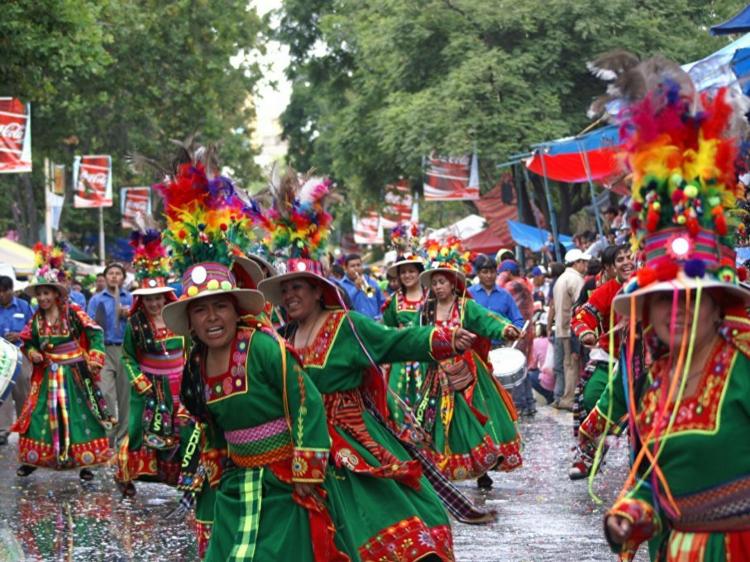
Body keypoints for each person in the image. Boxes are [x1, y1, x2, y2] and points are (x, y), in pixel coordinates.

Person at [158, 158, 345, 561]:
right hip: (235, 482)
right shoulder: (195, 363)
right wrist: (213, 458)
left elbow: (306, 401)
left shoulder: (262, 346)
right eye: (201, 311)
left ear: (235, 309)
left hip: (284, 483)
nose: (212, 319)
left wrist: (307, 469)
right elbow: (210, 421)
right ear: (189, 321)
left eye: (220, 307)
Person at [596, 73, 750, 561]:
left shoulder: (745, 365)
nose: (676, 310)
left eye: (691, 296)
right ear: (646, 311)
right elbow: (651, 477)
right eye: (663, 298)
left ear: (716, 302)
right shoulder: (655, 381)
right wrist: (630, 514)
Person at [415, 238, 522, 490]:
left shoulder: (466, 307)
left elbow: (488, 320)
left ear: (452, 284)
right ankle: (444, 466)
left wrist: (505, 328)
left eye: (442, 282)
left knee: (473, 415)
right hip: (436, 374)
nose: (438, 287)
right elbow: (417, 337)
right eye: (435, 282)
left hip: (467, 372)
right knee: (440, 420)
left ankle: (483, 464)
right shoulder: (426, 311)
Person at [13, 245, 113, 480]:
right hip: (48, 373)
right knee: (39, 413)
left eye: (47, 293)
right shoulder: (36, 318)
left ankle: (86, 461)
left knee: (82, 412)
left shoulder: (72, 311)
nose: (43, 298)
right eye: (40, 294)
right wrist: (32, 353)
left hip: (75, 372)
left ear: (56, 293)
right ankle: (33, 458)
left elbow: (95, 332)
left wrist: (96, 359)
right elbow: (26, 341)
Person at [115, 230, 187, 497]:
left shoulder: (179, 317)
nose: (154, 302)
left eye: (158, 297)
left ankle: (179, 477)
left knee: (180, 429)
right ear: (141, 299)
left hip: (179, 384)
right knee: (137, 432)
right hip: (149, 387)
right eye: (149, 298)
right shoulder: (135, 324)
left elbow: (190, 349)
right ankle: (125, 474)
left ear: (166, 296)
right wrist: (139, 380)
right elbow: (127, 356)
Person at [569, 244, 633, 480]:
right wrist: (586, 332)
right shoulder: (606, 291)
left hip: (649, 362)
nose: (627, 262)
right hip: (612, 361)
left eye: (629, 256)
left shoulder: (649, 285)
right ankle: (589, 454)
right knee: (587, 398)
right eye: (620, 259)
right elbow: (582, 316)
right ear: (609, 268)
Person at [87, 262, 133, 442]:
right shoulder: (97, 299)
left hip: (124, 349)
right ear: (105, 277)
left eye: (118, 273)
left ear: (123, 278)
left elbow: (138, 323)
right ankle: (108, 436)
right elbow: (89, 324)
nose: (114, 276)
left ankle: (124, 438)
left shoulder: (130, 298)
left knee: (125, 395)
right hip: (104, 350)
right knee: (105, 392)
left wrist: (128, 316)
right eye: (111, 273)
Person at [551, 248, 589, 410]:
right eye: (583, 262)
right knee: (572, 365)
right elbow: (580, 306)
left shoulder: (561, 279)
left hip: (562, 328)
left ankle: (564, 397)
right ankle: (570, 399)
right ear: (577, 263)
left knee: (566, 365)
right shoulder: (575, 280)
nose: (586, 265)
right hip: (571, 330)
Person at [0, 275, 32, 446]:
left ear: (11, 291)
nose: (1, 295)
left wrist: (19, 335)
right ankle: (3, 430)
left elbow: (33, 327)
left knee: (22, 391)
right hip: (1, 354)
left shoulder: (24, 306)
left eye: (4, 292)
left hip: (20, 354)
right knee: (2, 391)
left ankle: (25, 428)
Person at [467, 255, 524, 334]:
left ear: (497, 273)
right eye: (485, 272)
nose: (489, 275)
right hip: (475, 344)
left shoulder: (505, 295)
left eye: (492, 272)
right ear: (478, 273)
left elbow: (517, 319)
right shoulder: (468, 294)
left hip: (501, 344)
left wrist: (516, 330)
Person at [337, 253, 385, 320]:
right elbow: (344, 305)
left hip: (376, 323)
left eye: (358, 265)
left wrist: (380, 316)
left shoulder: (372, 282)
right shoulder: (340, 286)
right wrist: (356, 288)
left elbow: (382, 302)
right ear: (345, 268)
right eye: (352, 266)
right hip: (356, 326)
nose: (356, 268)